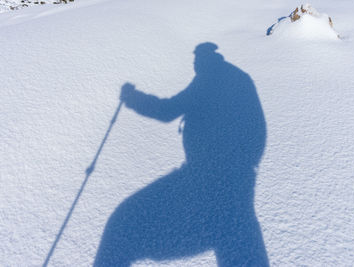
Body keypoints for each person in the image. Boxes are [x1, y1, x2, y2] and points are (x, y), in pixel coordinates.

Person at [94, 42, 269, 267]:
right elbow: (259, 129)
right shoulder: (240, 78)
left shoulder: (208, 79)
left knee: (122, 224)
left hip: (207, 178)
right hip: (238, 179)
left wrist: (132, 98)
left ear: (202, 60)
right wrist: (245, 165)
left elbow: (167, 110)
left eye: (196, 61)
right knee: (238, 245)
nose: (195, 65)